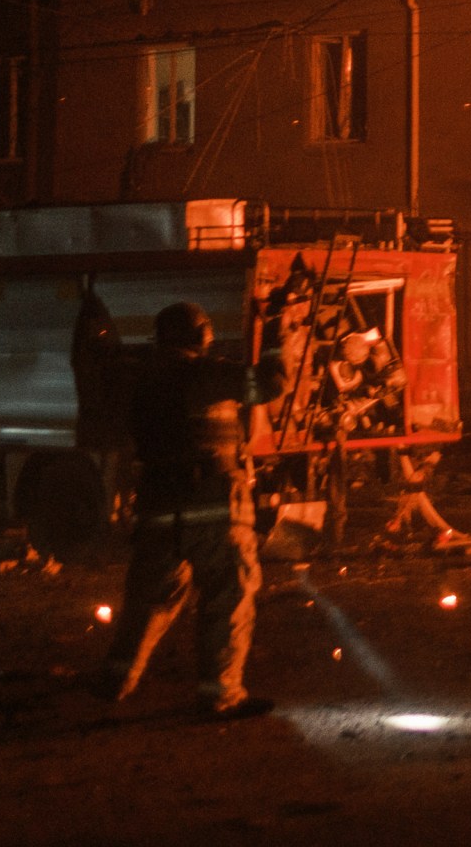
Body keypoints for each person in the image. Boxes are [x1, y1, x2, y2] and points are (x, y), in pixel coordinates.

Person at [96, 301, 286, 718]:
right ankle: (220, 693)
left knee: (150, 600)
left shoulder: (140, 380)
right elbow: (268, 387)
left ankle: (116, 680)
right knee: (228, 596)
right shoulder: (209, 373)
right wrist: (274, 333)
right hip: (215, 507)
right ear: (200, 335)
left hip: (158, 507)